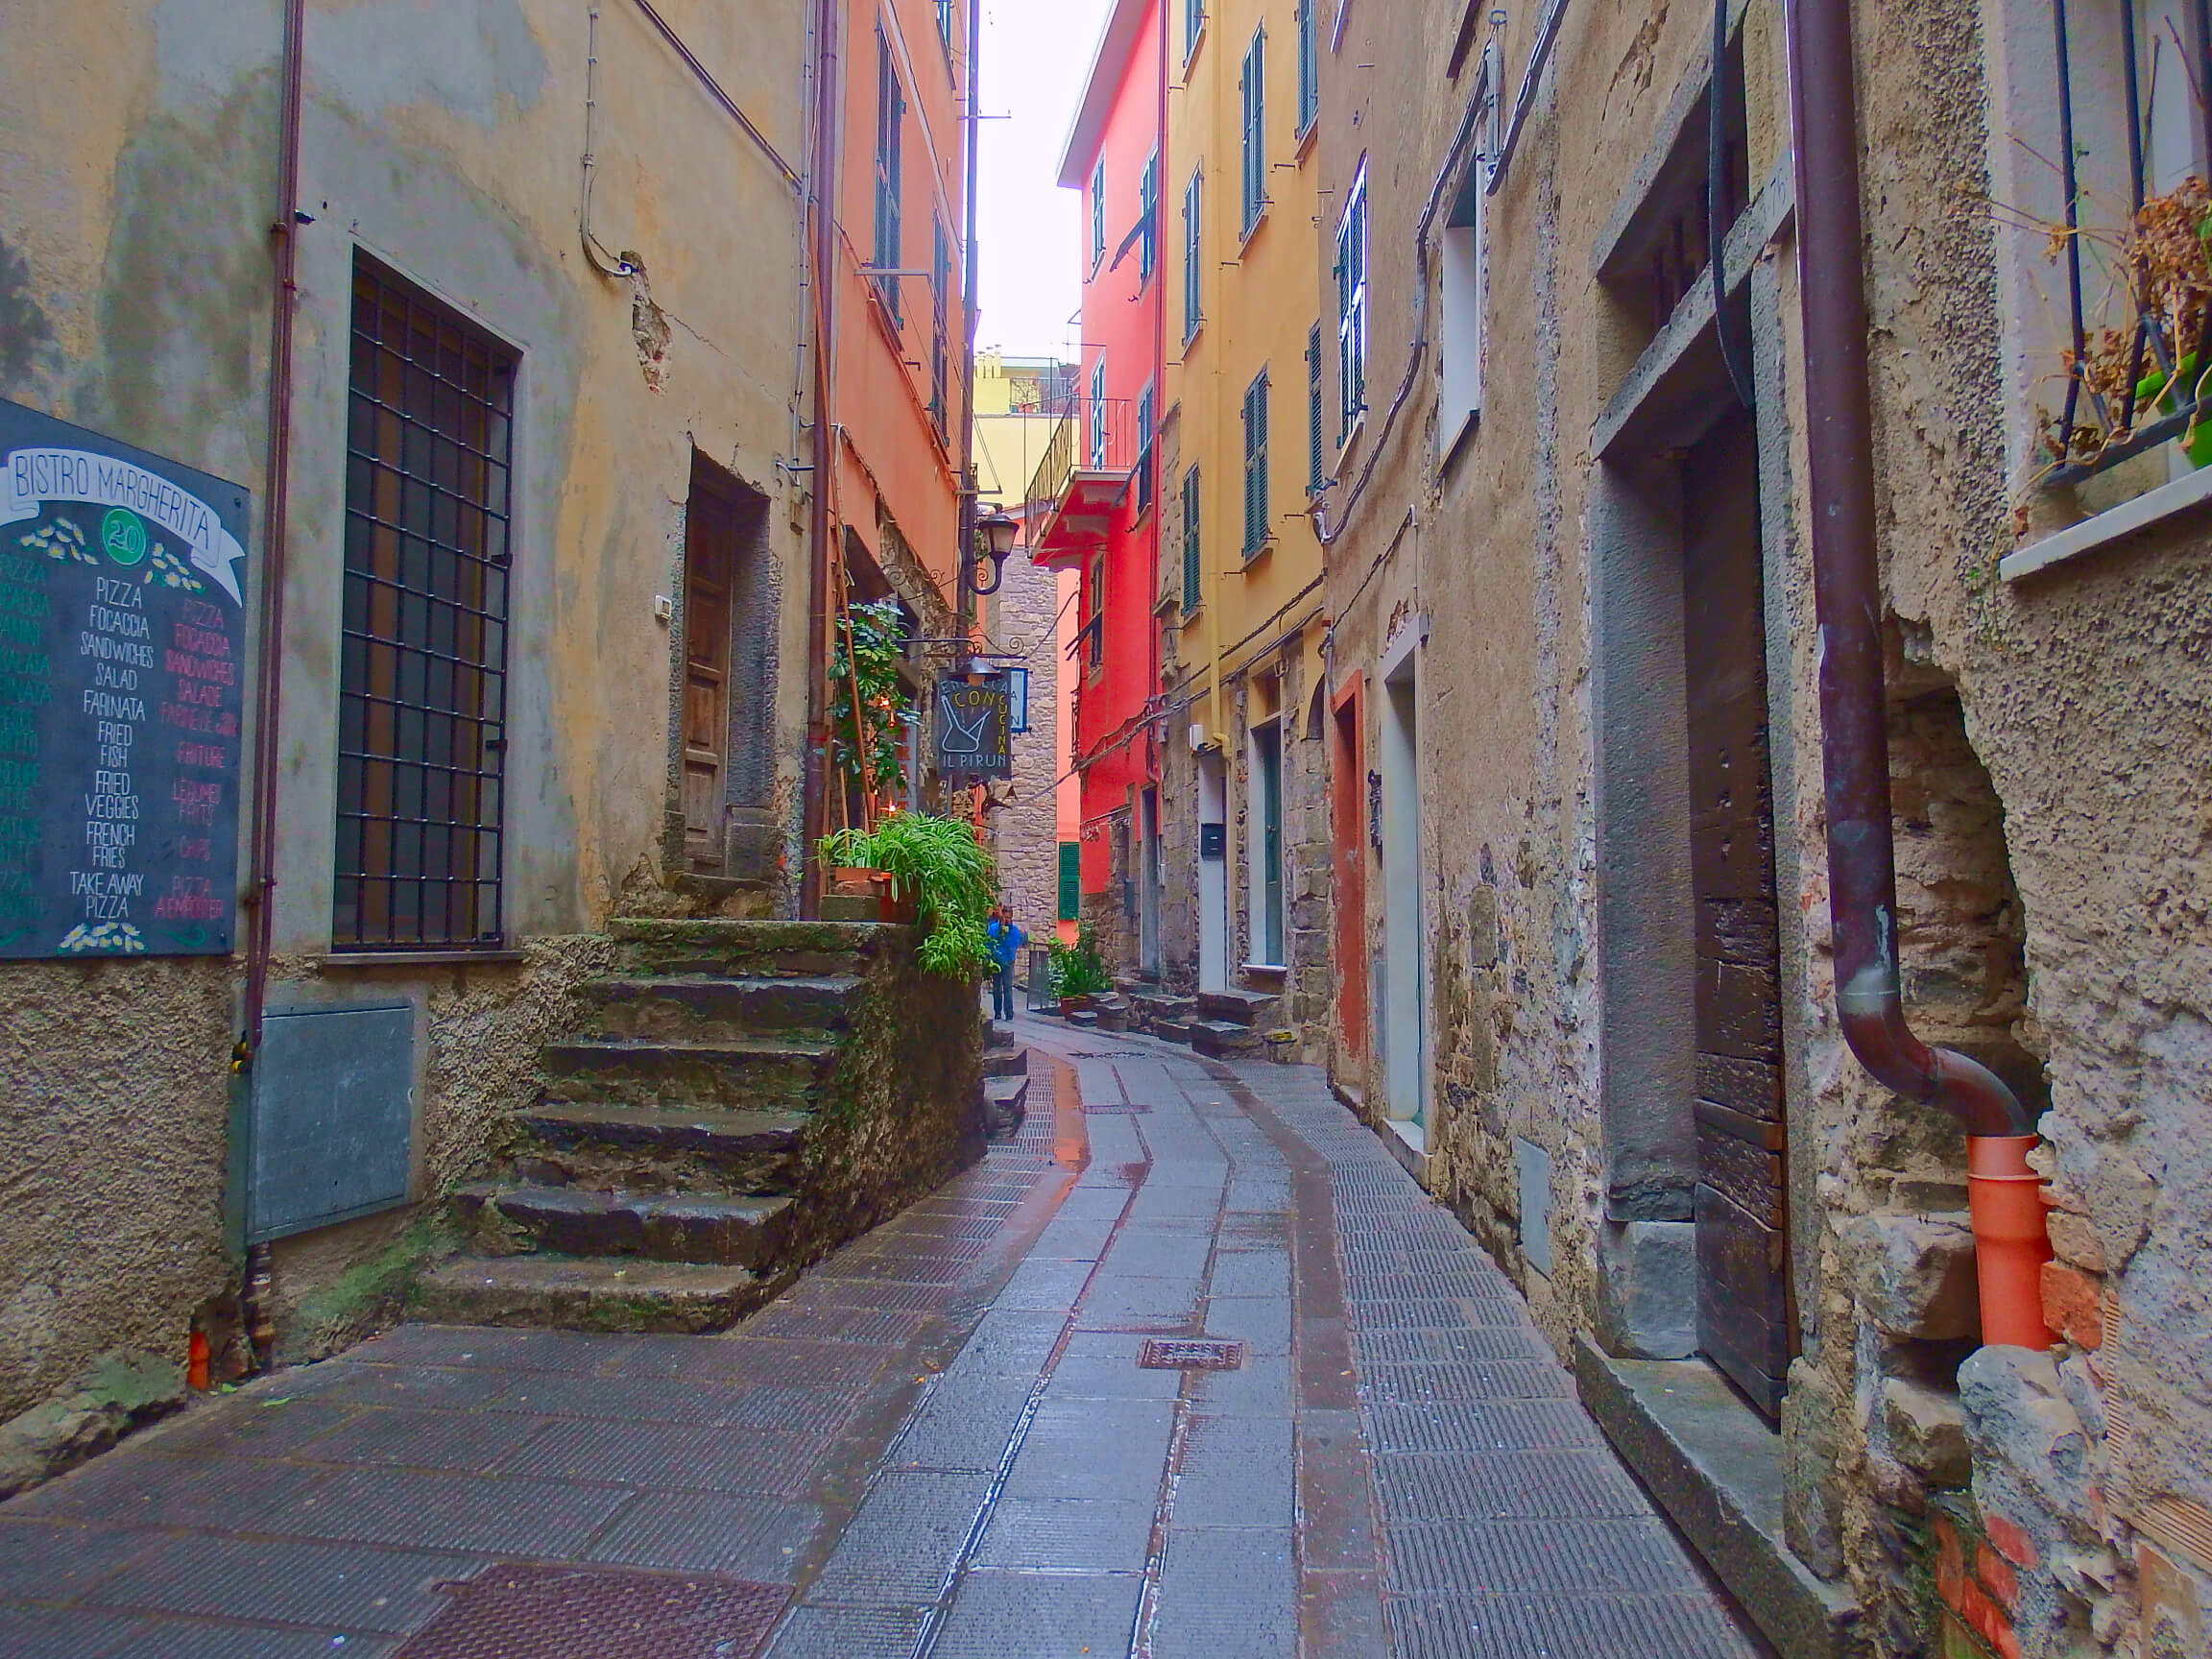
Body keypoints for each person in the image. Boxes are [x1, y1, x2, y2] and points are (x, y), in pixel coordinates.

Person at [985, 905, 1025, 1022]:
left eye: (1009, 918)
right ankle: (997, 1013)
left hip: (1008, 962)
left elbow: (1014, 943)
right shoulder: (993, 928)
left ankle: (1009, 1013)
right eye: (1005, 917)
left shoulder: (1013, 930)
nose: (1007, 920)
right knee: (997, 988)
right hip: (996, 961)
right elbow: (989, 941)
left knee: (1007, 988)